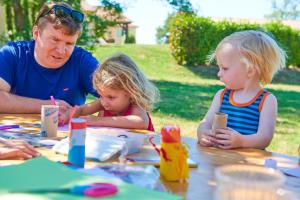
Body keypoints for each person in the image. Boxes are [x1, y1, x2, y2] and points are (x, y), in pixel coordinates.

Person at [0, 1, 99, 113]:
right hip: (16, 130)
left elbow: (119, 95)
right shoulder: (13, 54)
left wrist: (95, 118)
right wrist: (48, 106)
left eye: (69, 44)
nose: (61, 51)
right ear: (36, 33)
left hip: (68, 130)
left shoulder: (82, 61)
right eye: (55, 40)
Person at [197, 30, 286, 149]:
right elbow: (205, 123)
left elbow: (264, 138)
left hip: (249, 163)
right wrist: (202, 133)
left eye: (225, 68)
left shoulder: (266, 100)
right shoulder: (222, 96)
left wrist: (241, 141)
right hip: (219, 160)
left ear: (250, 70)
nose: (219, 73)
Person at [60, 53, 160, 131]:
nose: (104, 102)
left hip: (143, 153)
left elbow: (141, 122)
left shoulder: (136, 104)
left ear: (130, 91)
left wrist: (97, 121)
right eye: (101, 96)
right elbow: (81, 110)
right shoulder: (104, 102)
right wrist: (68, 114)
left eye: (111, 97)